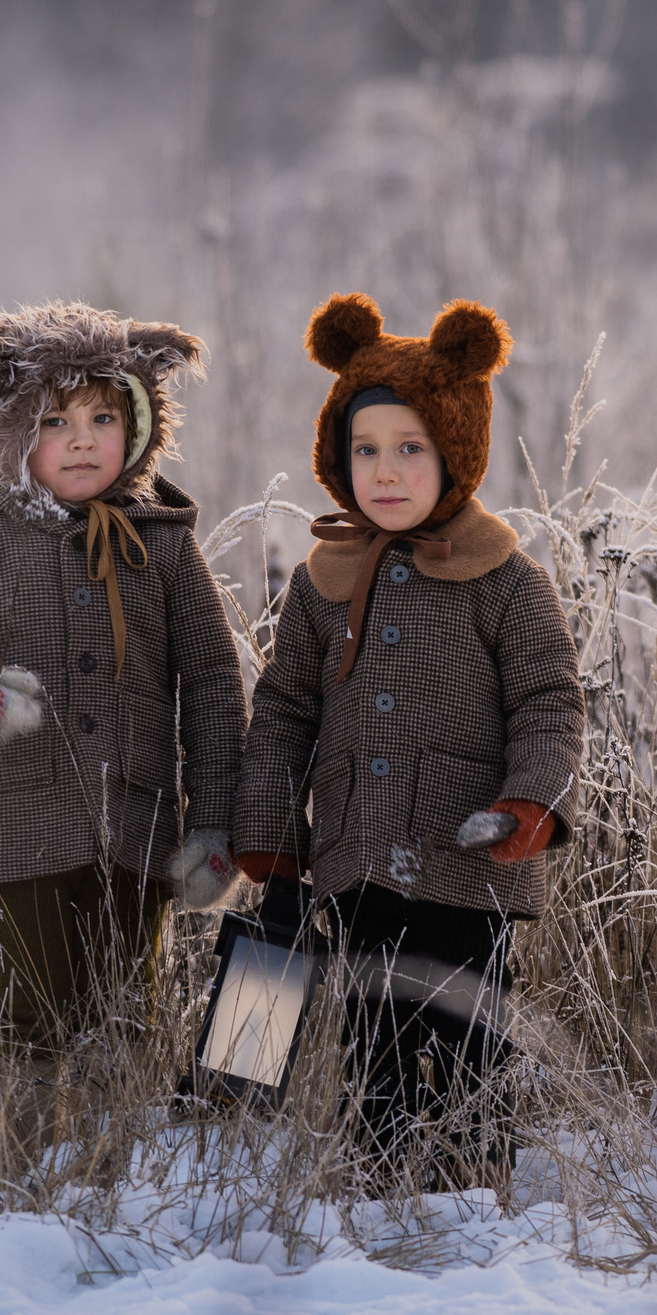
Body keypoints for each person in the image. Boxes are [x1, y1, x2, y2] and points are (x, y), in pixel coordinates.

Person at [0, 302, 246, 1169]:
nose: (82, 440)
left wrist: (216, 822)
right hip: (12, 832)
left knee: (127, 1004)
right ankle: (16, 1182)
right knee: (23, 1010)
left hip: (140, 831)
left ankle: (110, 1177)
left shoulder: (164, 549)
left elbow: (212, 685)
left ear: (140, 424)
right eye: (54, 422)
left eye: (103, 418)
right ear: (13, 434)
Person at [234, 292, 582, 1184]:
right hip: (357, 857)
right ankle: (383, 1183)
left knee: (470, 1037)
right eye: (365, 451)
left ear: (455, 448)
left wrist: (529, 801)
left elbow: (548, 700)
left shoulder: (504, 578)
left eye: (410, 448)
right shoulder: (323, 583)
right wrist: (271, 834)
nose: (385, 472)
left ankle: (474, 1178)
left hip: (471, 860)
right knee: (375, 1037)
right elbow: (283, 712)